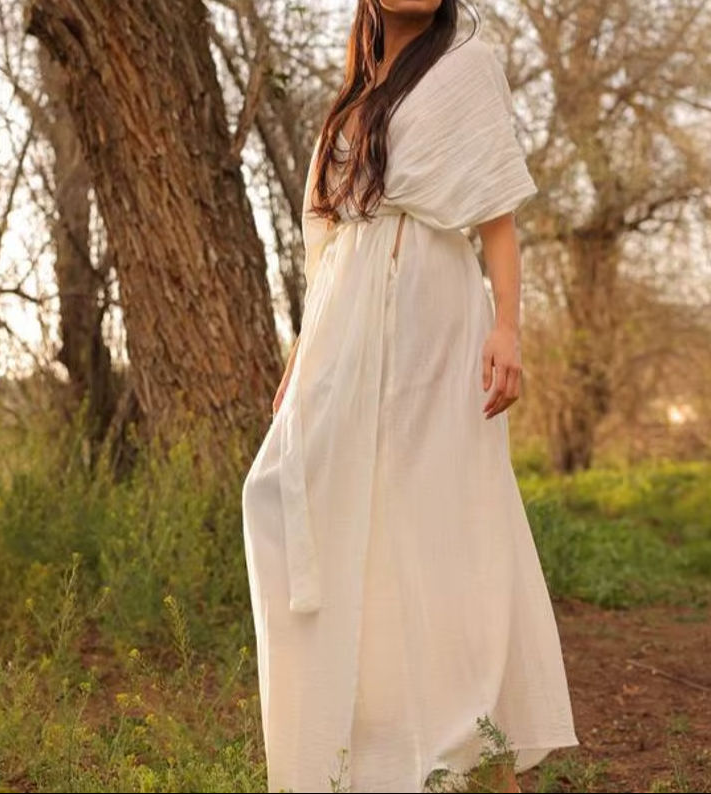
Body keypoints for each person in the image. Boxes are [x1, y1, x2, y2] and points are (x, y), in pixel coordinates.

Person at [241, 1, 578, 791]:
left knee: (440, 524)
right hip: (345, 322)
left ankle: (476, 754)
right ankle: (362, 751)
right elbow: (327, 241)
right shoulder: (353, 96)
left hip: (436, 312)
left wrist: (508, 328)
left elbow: (497, 217)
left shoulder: (466, 67)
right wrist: (305, 351)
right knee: (290, 501)